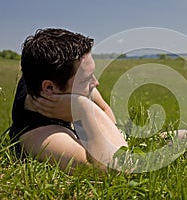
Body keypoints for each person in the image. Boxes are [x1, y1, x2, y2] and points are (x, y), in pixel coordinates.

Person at [9, 28, 127, 173]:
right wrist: (84, 108)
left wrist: (113, 129)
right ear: (49, 88)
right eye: (85, 79)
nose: (96, 83)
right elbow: (116, 166)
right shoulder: (40, 137)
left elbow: (104, 109)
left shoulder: (46, 75)